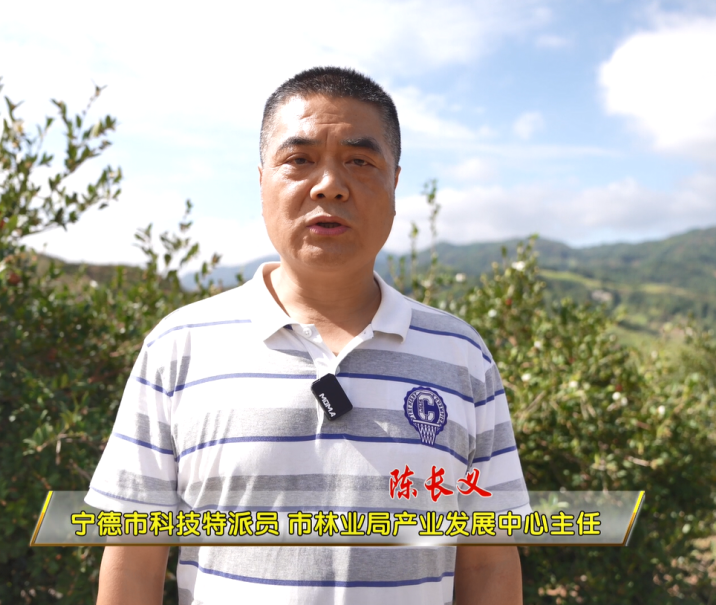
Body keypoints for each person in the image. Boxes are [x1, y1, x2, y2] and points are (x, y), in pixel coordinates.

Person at [87, 66, 530, 605]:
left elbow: (488, 560)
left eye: (360, 161)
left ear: (394, 183)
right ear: (261, 181)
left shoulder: (461, 355)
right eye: (299, 159)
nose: (329, 185)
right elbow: (134, 559)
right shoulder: (179, 347)